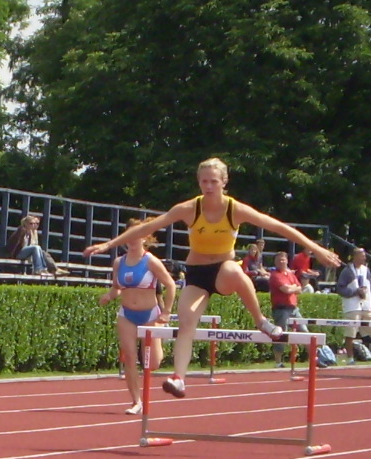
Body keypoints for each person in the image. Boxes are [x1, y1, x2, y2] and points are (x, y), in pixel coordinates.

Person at [85, 157, 339, 398]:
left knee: (233, 269)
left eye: (213, 181)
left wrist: (317, 249)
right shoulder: (189, 208)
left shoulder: (235, 209)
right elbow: (147, 227)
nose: (208, 186)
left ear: (224, 182)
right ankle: (179, 378)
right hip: (197, 275)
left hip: (222, 271)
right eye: (204, 181)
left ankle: (260, 320)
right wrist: (109, 245)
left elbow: (279, 227)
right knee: (186, 323)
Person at [98, 221, 176, 414]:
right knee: (130, 357)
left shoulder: (151, 261)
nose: (132, 240)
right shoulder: (119, 262)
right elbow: (117, 287)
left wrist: (166, 311)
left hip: (149, 314)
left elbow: (171, 285)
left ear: (144, 238)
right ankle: (136, 401)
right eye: (129, 236)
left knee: (154, 362)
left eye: (136, 236)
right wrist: (109, 295)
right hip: (127, 314)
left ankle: (160, 341)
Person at [335, 247, 371, 361]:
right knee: (351, 333)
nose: (364, 257)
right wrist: (355, 292)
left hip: (366, 306)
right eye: (362, 255)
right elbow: (340, 288)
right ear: (355, 256)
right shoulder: (347, 271)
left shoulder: (366, 270)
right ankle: (350, 358)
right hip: (352, 307)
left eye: (364, 255)